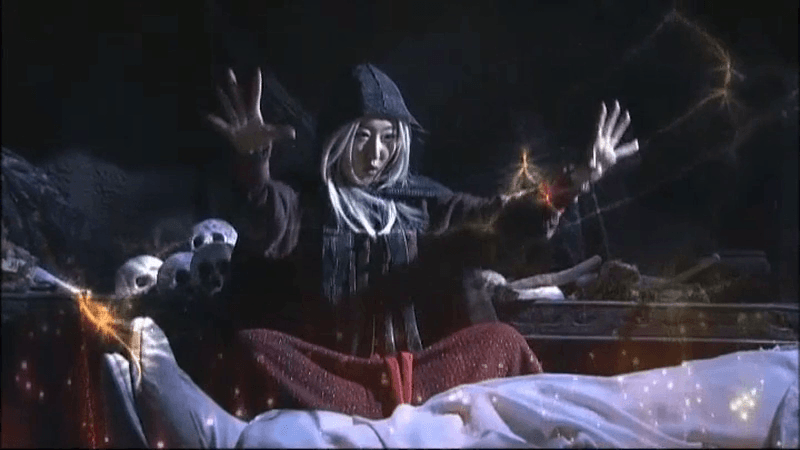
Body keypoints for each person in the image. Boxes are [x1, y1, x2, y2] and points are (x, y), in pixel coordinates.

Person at [176, 63, 640, 420]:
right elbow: (266, 221)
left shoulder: (424, 203)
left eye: (387, 138)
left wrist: (571, 183)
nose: (377, 153)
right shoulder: (305, 205)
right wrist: (254, 164)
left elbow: (499, 219)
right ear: (337, 140)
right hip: (333, 380)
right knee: (254, 348)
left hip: (421, 378)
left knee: (501, 341)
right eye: (362, 137)